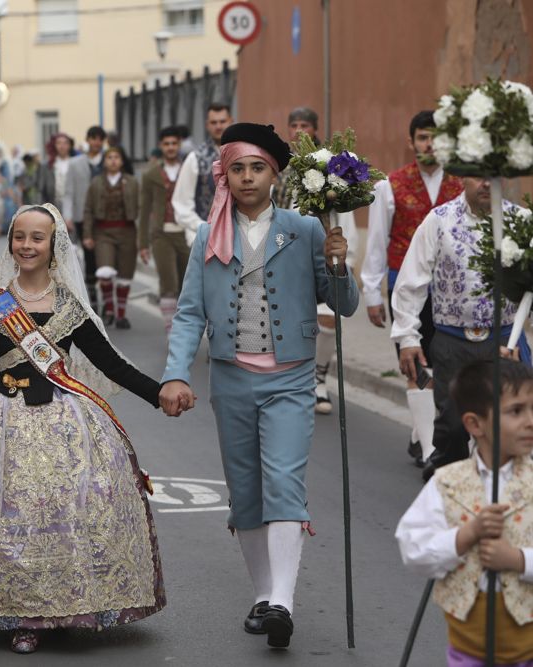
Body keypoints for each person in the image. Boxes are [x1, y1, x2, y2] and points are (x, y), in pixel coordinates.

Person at [0, 203, 165, 654]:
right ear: (11, 243)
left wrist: (159, 392)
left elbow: (110, 364)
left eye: (37, 238)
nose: (26, 245)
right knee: (11, 516)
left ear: (54, 247)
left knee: (68, 511)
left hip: (64, 419)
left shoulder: (70, 307)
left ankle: (67, 604)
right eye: (19, 236)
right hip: (2, 418)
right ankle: (22, 615)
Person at [159, 123, 357, 650]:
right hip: (230, 378)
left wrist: (339, 264)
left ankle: (283, 603)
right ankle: (265, 593)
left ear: (276, 174)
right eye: (238, 168)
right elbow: (188, 315)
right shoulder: (208, 234)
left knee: (284, 483)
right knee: (245, 493)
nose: (247, 178)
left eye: (258, 168)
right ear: (225, 173)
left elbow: (344, 305)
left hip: (291, 378)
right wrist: (176, 372)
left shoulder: (307, 228)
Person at [395, 359, 533, 667]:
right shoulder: (448, 484)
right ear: (474, 424)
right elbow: (413, 549)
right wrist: (464, 536)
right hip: (468, 649)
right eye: (516, 411)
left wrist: (518, 560)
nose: (530, 421)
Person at [392, 177, 527, 475]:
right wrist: (408, 337)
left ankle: (497, 500)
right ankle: (447, 476)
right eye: (478, 174)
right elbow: (410, 282)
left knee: (504, 427)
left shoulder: (522, 222)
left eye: (493, 175)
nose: (485, 183)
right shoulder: (439, 220)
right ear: (463, 177)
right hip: (453, 344)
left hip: (504, 343)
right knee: (453, 427)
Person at [362, 111, 464, 469]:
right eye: (422, 137)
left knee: (446, 366)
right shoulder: (390, 185)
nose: (428, 144)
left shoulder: (463, 184)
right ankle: (428, 451)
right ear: (411, 142)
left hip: (453, 291)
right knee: (415, 364)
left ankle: (421, 432)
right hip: (405, 288)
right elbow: (376, 242)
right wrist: (372, 293)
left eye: (435, 137)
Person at [276, 107, 360, 415]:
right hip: (287, 254)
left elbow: (344, 211)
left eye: (305, 126)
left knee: (328, 318)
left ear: (315, 130)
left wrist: (343, 255)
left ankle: (319, 377)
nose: (299, 131)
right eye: (294, 125)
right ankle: (291, 378)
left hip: (323, 252)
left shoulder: (329, 166)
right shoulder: (278, 168)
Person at [83, 147, 139, 329]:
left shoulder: (132, 182)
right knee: (105, 272)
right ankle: (109, 310)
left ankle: (121, 315)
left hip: (127, 231)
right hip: (103, 231)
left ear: (122, 161)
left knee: (125, 275)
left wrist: (144, 239)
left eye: (117, 157)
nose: (113, 160)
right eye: (109, 158)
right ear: (105, 162)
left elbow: (142, 208)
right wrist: (87, 235)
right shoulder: (96, 183)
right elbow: (88, 210)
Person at [139, 126, 188, 332]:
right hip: (161, 234)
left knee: (188, 285)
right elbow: (145, 209)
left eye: (174, 143)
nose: (170, 147)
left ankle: (186, 329)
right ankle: (172, 330)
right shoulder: (150, 174)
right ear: (161, 146)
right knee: (168, 284)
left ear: (179, 145)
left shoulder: (189, 169)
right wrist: (143, 244)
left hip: (186, 233)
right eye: (166, 144)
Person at [171, 102, 232, 243]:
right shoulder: (195, 158)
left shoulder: (244, 155)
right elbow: (181, 203)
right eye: (214, 122)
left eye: (222, 121)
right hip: (204, 239)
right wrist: (203, 228)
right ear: (207, 125)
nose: (218, 126)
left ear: (231, 121)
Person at [67, 126, 108, 311]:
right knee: (90, 258)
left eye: (100, 139)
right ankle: (93, 301)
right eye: (93, 138)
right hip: (83, 216)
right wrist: (67, 216)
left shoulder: (110, 160)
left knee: (106, 258)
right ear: (87, 140)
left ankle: (108, 301)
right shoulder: (75, 163)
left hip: (106, 216)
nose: (96, 142)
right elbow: (69, 192)